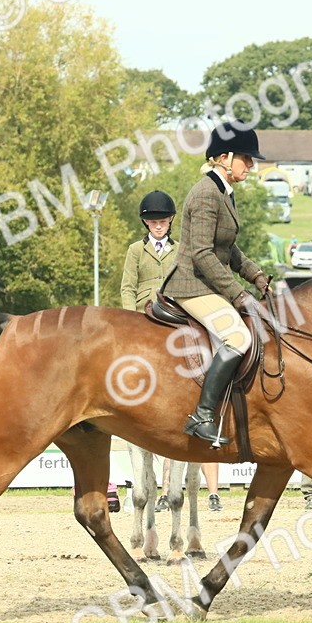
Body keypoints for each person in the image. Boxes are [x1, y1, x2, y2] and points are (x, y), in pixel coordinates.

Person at [161, 122, 271, 446]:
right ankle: (203, 415)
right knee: (237, 337)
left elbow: (228, 249)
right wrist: (239, 295)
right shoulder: (206, 192)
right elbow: (202, 254)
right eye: (246, 158)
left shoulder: (223, 191)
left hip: (205, 281)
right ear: (224, 157)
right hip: (189, 284)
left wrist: (256, 276)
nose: (250, 165)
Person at [120, 190, 185, 515]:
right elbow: (127, 286)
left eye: (161, 221)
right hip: (144, 311)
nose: (157, 226)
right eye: (152, 222)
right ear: (146, 222)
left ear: (170, 221)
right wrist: (129, 320)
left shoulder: (179, 248)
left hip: (174, 308)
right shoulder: (136, 250)